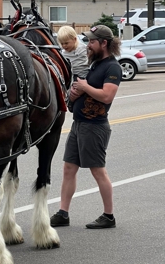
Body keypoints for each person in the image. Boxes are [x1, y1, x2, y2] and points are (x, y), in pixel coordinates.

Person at [50, 24, 122, 229]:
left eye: (92, 41)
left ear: (104, 43)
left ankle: (109, 216)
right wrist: (75, 94)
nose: (88, 45)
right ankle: (63, 213)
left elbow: (107, 95)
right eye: (88, 41)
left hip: (95, 126)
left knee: (98, 171)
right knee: (68, 168)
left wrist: (84, 87)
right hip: (79, 124)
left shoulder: (112, 67)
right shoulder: (95, 64)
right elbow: (83, 88)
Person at [57, 26, 89, 112]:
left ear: (74, 39)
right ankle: (70, 103)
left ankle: (73, 103)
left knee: (77, 92)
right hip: (71, 76)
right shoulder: (63, 53)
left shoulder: (83, 49)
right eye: (62, 43)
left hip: (84, 76)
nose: (64, 46)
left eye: (66, 43)